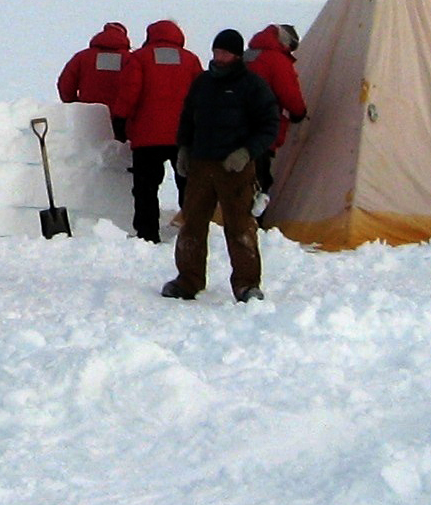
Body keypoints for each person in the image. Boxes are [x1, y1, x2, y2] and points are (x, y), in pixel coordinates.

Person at [162, 29, 282, 302]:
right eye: (216, 52)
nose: (218, 57)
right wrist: (184, 148)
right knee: (192, 224)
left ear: (237, 54)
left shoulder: (253, 86)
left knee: (240, 226)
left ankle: (247, 284)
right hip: (201, 164)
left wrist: (246, 152)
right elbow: (187, 118)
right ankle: (188, 280)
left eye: (224, 52)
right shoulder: (202, 83)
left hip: (236, 168)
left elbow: (269, 125)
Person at [111, 20, 198, 242]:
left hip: (147, 136)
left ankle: (147, 234)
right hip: (184, 137)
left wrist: (119, 121)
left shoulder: (139, 58)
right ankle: (194, 230)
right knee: (188, 186)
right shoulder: (190, 60)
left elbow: (129, 92)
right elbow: (203, 96)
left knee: (146, 189)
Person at [245, 25, 305, 211]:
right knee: (260, 179)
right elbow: (289, 93)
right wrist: (299, 112)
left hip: (234, 127)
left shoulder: (247, 55)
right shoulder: (277, 60)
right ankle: (253, 224)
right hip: (262, 128)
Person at [56, 22, 136, 140]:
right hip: (122, 119)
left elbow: (65, 84)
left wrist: (75, 105)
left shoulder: (82, 57)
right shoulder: (131, 60)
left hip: (90, 118)